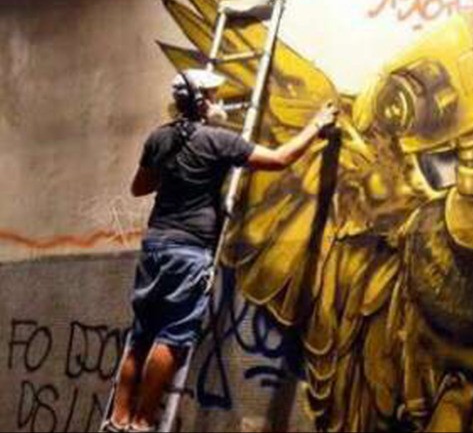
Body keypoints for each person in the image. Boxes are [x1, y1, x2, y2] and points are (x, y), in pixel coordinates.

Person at [104, 69, 338, 432]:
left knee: (141, 335)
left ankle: (118, 418)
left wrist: (173, 168)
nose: (218, 102)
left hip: (155, 245)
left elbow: (140, 188)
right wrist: (316, 125)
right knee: (171, 337)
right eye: (214, 96)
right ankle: (142, 420)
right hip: (189, 248)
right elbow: (280, 159)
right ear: (203, 102)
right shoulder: (217, 141)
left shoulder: (158, 138)